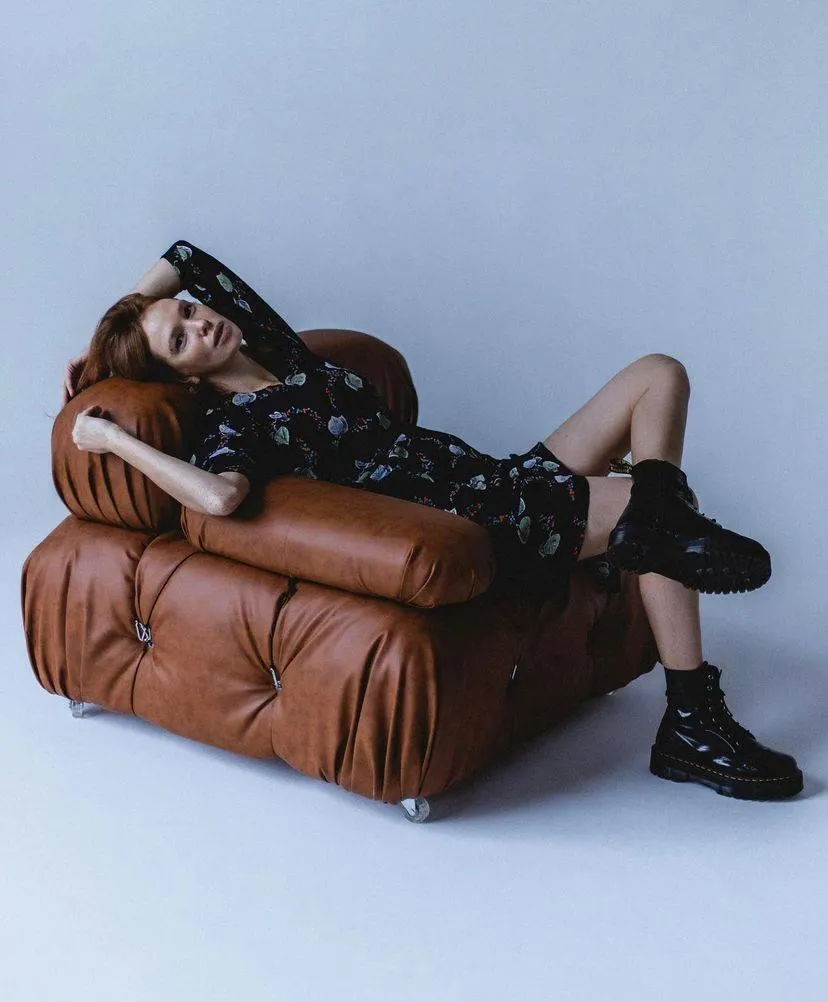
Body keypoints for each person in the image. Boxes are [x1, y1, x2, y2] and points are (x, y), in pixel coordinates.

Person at [66, 239, 803, 801]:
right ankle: (692, 720)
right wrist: (115, 438)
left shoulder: (287, 360)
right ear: (182, 377)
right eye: (181, 339)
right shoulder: (235, 430)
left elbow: (186, 258)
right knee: (658, 510)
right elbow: (220, 499)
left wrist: (111, 329)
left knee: (658, 374)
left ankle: (661, 527)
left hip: (495, 474)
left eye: (192, 313)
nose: (202, 324)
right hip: (482, 517)